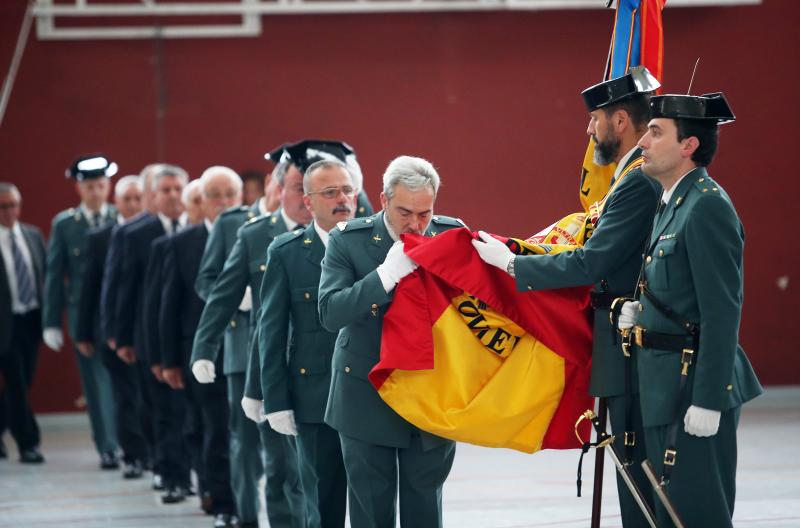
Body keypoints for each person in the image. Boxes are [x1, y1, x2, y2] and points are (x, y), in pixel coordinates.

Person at [471, 66, 662, 527]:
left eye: (595, 119)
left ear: (620, 121)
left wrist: (513, 265)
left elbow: (594, 261)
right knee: (630, 457)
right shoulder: (627, 176)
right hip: (620, 338)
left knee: (637, 458)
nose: (589, 129)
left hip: (632, 343)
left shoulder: (638, 180)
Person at [610, 92, 762, 527]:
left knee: (696, 515)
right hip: (665, 385)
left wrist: (709, 400)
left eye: (656, 133)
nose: (643, 142)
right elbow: (680, 290)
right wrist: (641, 312)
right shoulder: (673, 200)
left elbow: (722, 310)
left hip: (692, 387)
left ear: (688, 146)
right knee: (669, 513)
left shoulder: (706, 204)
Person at [318, 155, 465, 527]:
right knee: (371, 510)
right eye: (404, 213)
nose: (415, 224)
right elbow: (330, 313)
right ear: (383, 200)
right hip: (366, 392)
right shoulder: (348, 240)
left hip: (431, 393)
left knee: (425, 509)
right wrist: (384, 276)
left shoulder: (451, 236)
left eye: (425, 213)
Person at [259, 159, 355, 528]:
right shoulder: (287, 252)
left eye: (347, 190)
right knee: (321, 505)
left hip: (370, 396)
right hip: (314, 399)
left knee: (372, 503)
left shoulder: (373, 246)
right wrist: (276, 401)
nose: (342, 199)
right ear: (308, 201)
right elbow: (271, 332)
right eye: (330, 192)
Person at [160, 167, 242, 524]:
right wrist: (168, 360)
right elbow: (168, 305)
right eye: (215, 196)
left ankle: (243, 499)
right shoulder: (182, 243)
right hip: (203, 351)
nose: (223, 203)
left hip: (246, 351)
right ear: (201, 201)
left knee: (242, 434)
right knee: (213, 430)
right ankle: (221, 501)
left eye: (230, 195)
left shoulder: (254, 233)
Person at [41, 154, 120, 469]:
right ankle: (108, 446)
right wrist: (51, 321)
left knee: (125, 381)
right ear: (79, 189)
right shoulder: (65, 224)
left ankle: (131, 443)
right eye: (89, 187)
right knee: (96, 384)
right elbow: (54, 274)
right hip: (83, 315)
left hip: (118, 313)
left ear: (108, 185)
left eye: (101, 185)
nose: (96, 192)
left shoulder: (120, 217)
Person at [74, 175, 148, 478]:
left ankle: (153, 453)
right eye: (126, 199)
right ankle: (132, 455)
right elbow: (89, 287)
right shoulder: (101, 237)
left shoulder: (154, 232)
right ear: (116, 202)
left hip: (147, 330)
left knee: (149, 396)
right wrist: (83, 332)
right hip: (114, 331)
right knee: (124, 397)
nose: (133, 204)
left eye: (137, 198)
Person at [0, 183, 46, 463]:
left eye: (13, 205)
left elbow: (45, 276)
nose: (9, 212)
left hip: (30, 319)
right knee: (16, 382)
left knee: (23, 381)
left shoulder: (33, 235)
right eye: (3, 207)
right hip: (4, 324)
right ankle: (28, 442)